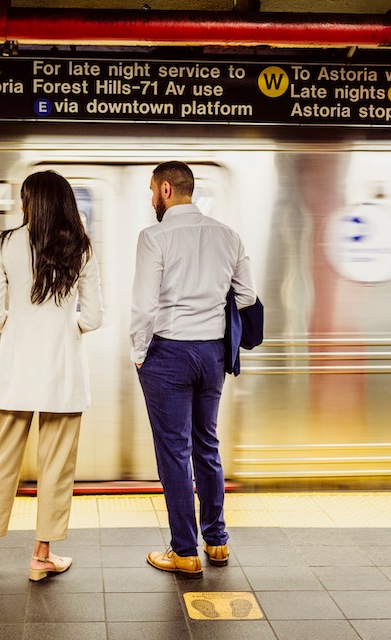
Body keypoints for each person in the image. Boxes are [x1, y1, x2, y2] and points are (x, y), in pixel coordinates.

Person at [0, 170, 103, 582]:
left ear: (28, 204)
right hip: (64, 373)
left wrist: (20, 329)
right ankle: (41, 558)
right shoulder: (82, 246)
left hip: (16, 371)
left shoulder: (5, 243)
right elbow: (93, 316)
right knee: (57, 466)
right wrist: (62, 330)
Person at [131, 161, 256, 578]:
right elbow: (247, 295)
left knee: (174, 451)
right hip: (213, 354)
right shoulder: (228, 235)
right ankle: (216, 542)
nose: (152, 200)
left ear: (166, 189)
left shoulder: (154, 237)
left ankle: (184, 551)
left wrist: (138, 351)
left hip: (168, 353)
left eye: (152, 191)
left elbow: (145, 306)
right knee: (207, 444)